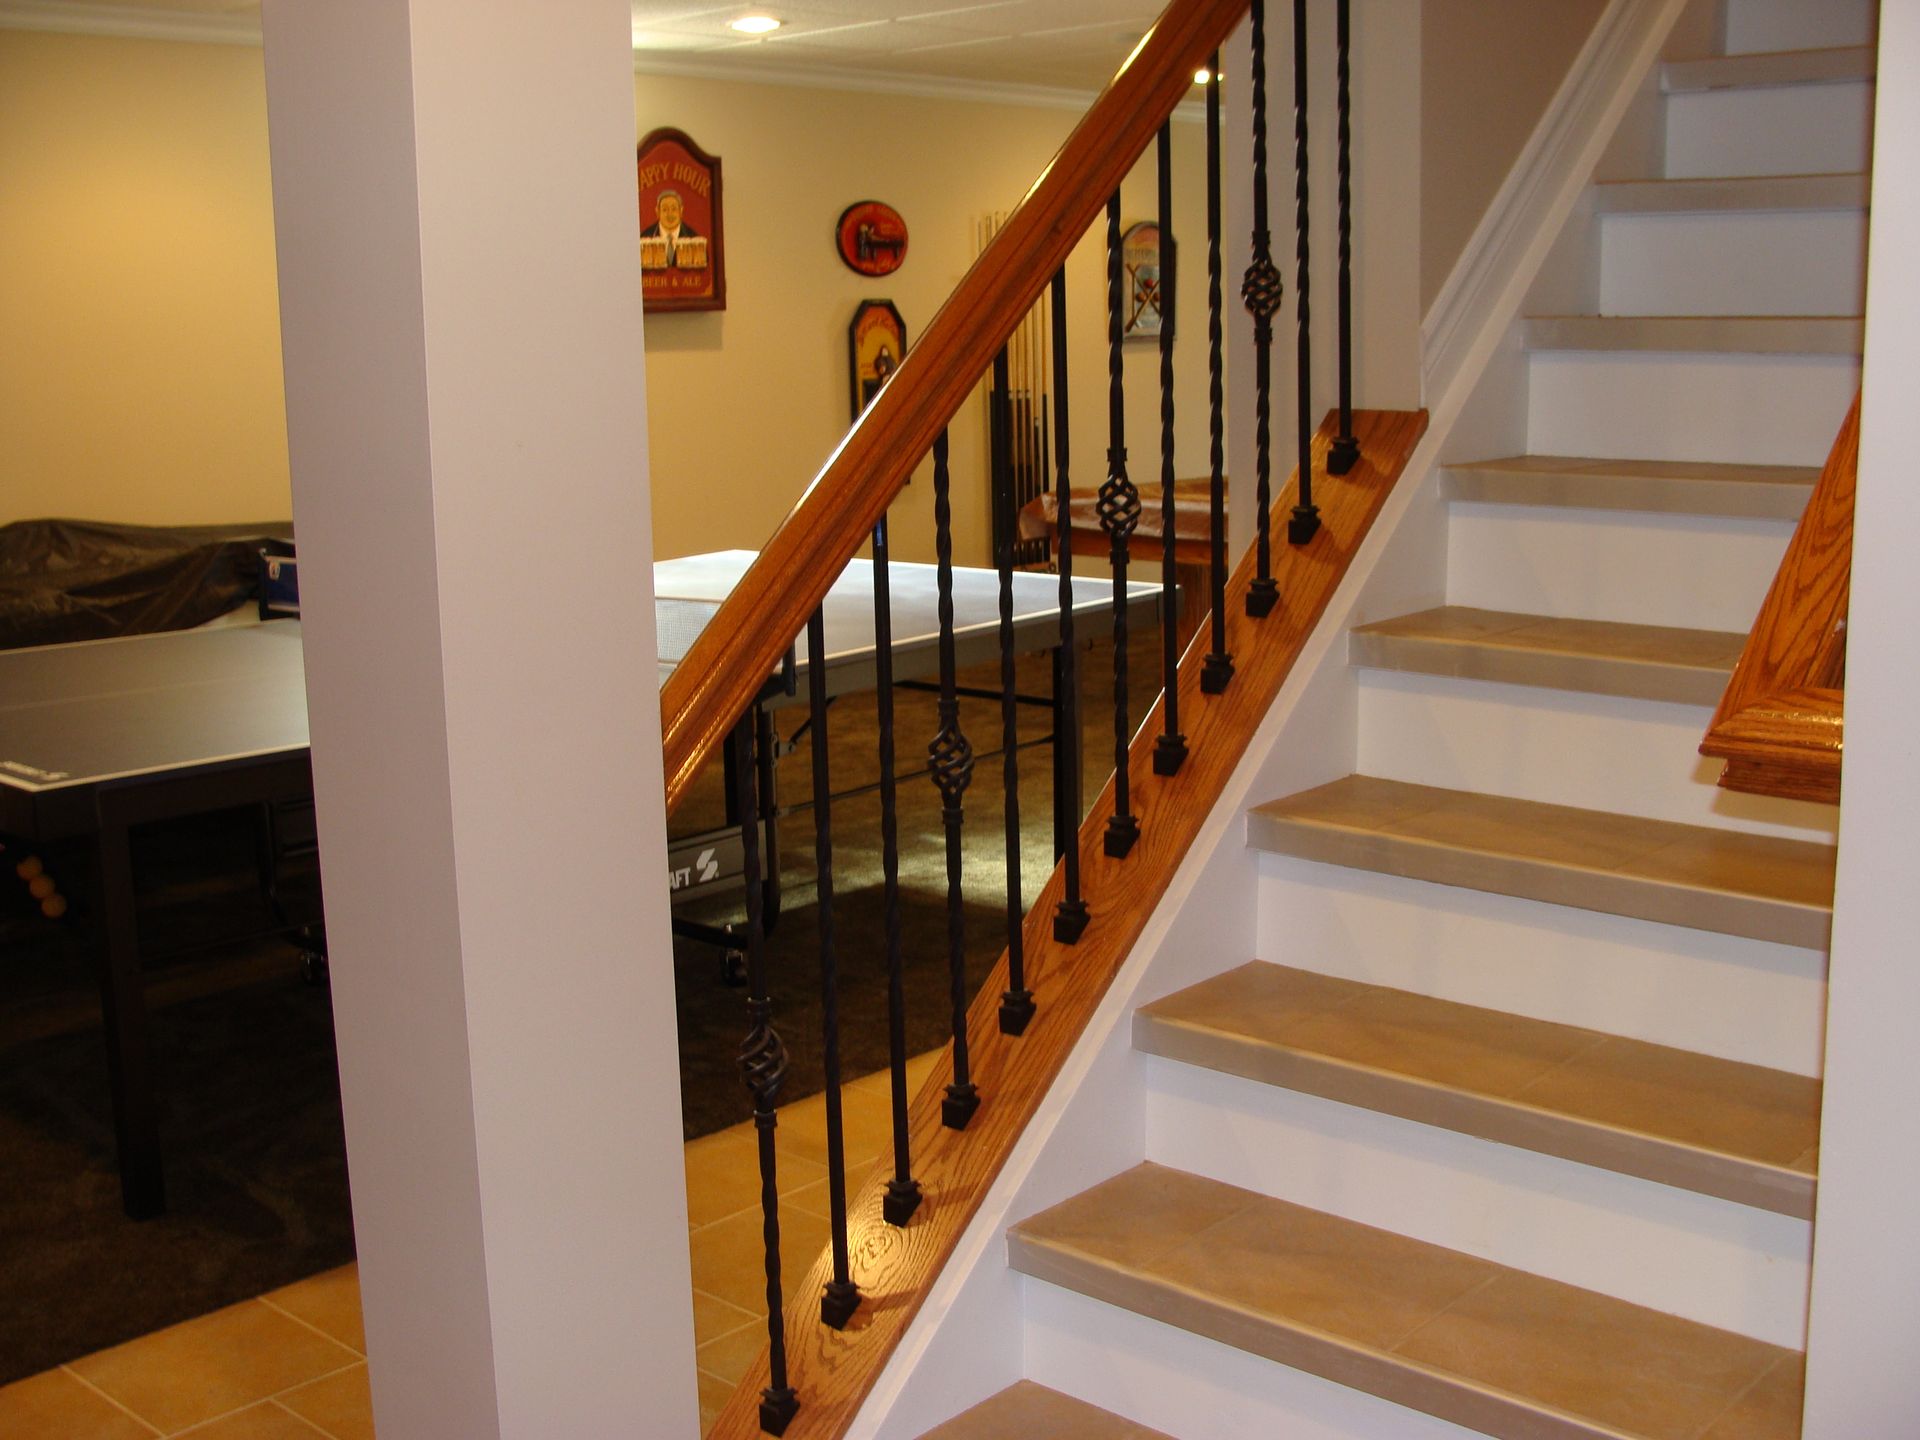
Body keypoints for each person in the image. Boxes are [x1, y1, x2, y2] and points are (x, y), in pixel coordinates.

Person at [641, 190, 699, 264]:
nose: (669, 214)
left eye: (674, 209)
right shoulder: (645, 237)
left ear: (681, 211)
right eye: (665, 209)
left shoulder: (694, 239)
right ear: (657, 212)